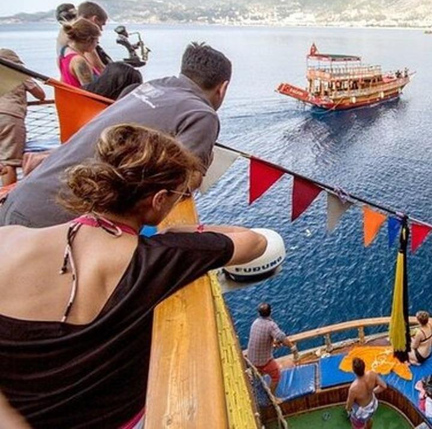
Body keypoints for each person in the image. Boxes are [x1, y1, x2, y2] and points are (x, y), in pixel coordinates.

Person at [0, 124, 270, 428]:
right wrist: (179, 233)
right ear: (157, 202)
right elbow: (254, 242)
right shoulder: (160, 258)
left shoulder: (7, 240)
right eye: (178, 195)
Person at [0, 42, 231, 228]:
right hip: (53, 220)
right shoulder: (201, 114)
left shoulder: (148, 87)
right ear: (222, 88)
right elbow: (184, 182)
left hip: (21, 196)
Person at [0, 49, 46, 186]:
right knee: (9, 162)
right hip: (11, 117)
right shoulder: (18, 74)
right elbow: (40, 94)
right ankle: (6, 201)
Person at [246, 302, 299, 394]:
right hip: (263, 362)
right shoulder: (271, 325)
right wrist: (292, 347)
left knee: (259, 372)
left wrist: (272, 342)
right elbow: (281, 337)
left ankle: (258, 382)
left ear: (259, 313)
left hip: (251, 360)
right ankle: (272, 396)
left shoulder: (255, 323)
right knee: (276, 376)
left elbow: (261, 337)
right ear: (271, 312)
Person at [58, 18, 103, 87]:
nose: (96, 45)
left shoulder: (62, 56)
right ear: (89, 40)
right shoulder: (79, 61)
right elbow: (90, 90)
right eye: (97, 41)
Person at [345, 357, 387, 429]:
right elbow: (384, 386)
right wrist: (372, 391)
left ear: (353, 371)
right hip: (373, 405)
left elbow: (349, 404)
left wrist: (348, 410)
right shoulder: (372, 374)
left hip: (362, 412)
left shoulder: (353, 388)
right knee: (368, 419)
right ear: (364, 366)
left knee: (357, 426)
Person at [76, 1, 112, 69]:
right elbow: (97, 67)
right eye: (101, 25)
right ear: (94, 20)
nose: (101, 29)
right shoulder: (84, 40)